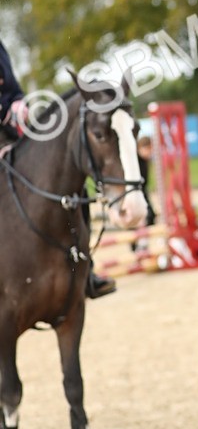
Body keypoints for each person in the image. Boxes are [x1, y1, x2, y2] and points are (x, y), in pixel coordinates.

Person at [1, 37, 117, 297]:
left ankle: (85, 271)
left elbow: (12, 91)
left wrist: (18, 106)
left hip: (9, 137)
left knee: (72, 185)